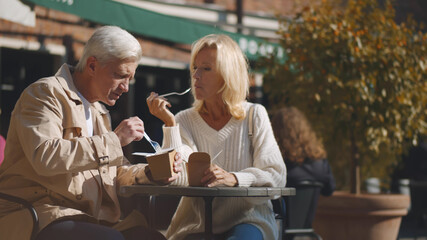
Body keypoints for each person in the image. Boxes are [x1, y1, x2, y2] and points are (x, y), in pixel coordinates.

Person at [0, 25, 183, 240]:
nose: (125, 87)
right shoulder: (44, 93)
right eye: (120, 76)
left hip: (86, 219)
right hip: (38, 215)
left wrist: (150, 173)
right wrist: (115, 139)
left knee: (152, 238)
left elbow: (112, 173)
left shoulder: (98, 110)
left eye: (129, 79)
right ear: (92, 65)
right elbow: (45, 156)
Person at [146, 34, 286, 240]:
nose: (195, 75)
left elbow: (276, 176)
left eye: (206, 68)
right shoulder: (183, 120)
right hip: (197, 223)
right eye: (194, 67)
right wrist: (170, 125)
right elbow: (176, 177)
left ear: (228, 74)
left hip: (249, 219)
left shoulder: (254, 114)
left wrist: (235, 178)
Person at [271, 106, 335, 196]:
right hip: (308, 210)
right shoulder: (320, 164)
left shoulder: (276, 164)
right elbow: (329, 190)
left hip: (278, 210)